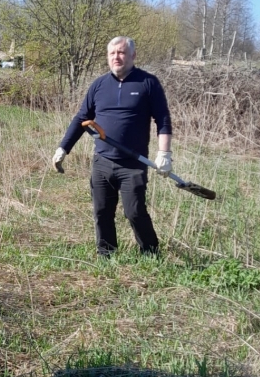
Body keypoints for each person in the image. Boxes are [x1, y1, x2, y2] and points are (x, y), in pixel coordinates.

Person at [52, 36, 172, 257]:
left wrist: (164, 153)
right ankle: (106, 254)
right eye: (112, 53)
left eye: (122, 52)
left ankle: (151, 254)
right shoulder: (99, 85)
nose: (117, 57)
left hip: (133, 163)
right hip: (102, 160)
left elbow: (162, 119)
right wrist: (64, 148)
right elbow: (82, 118)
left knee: (134, 211)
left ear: (133, 56)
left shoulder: (148, 83)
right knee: (102, 211)